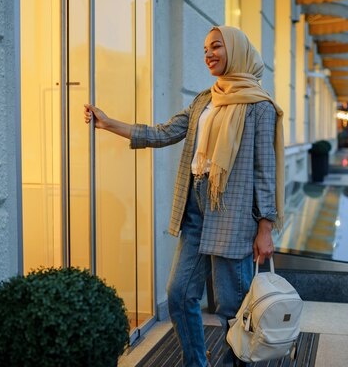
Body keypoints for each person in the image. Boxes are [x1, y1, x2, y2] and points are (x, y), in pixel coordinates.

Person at [85, 26, 284, 367]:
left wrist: (265, 227)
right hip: (195, 210)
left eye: (216, 47)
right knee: (178, 295)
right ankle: (196, 363)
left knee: (233, 308)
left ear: (236, 51)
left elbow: (265, 171)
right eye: (205, 48)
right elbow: (163, 133)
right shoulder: (204, 99)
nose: (208, 54)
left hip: (233, 214)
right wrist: (109, 124)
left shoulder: (258, 106)